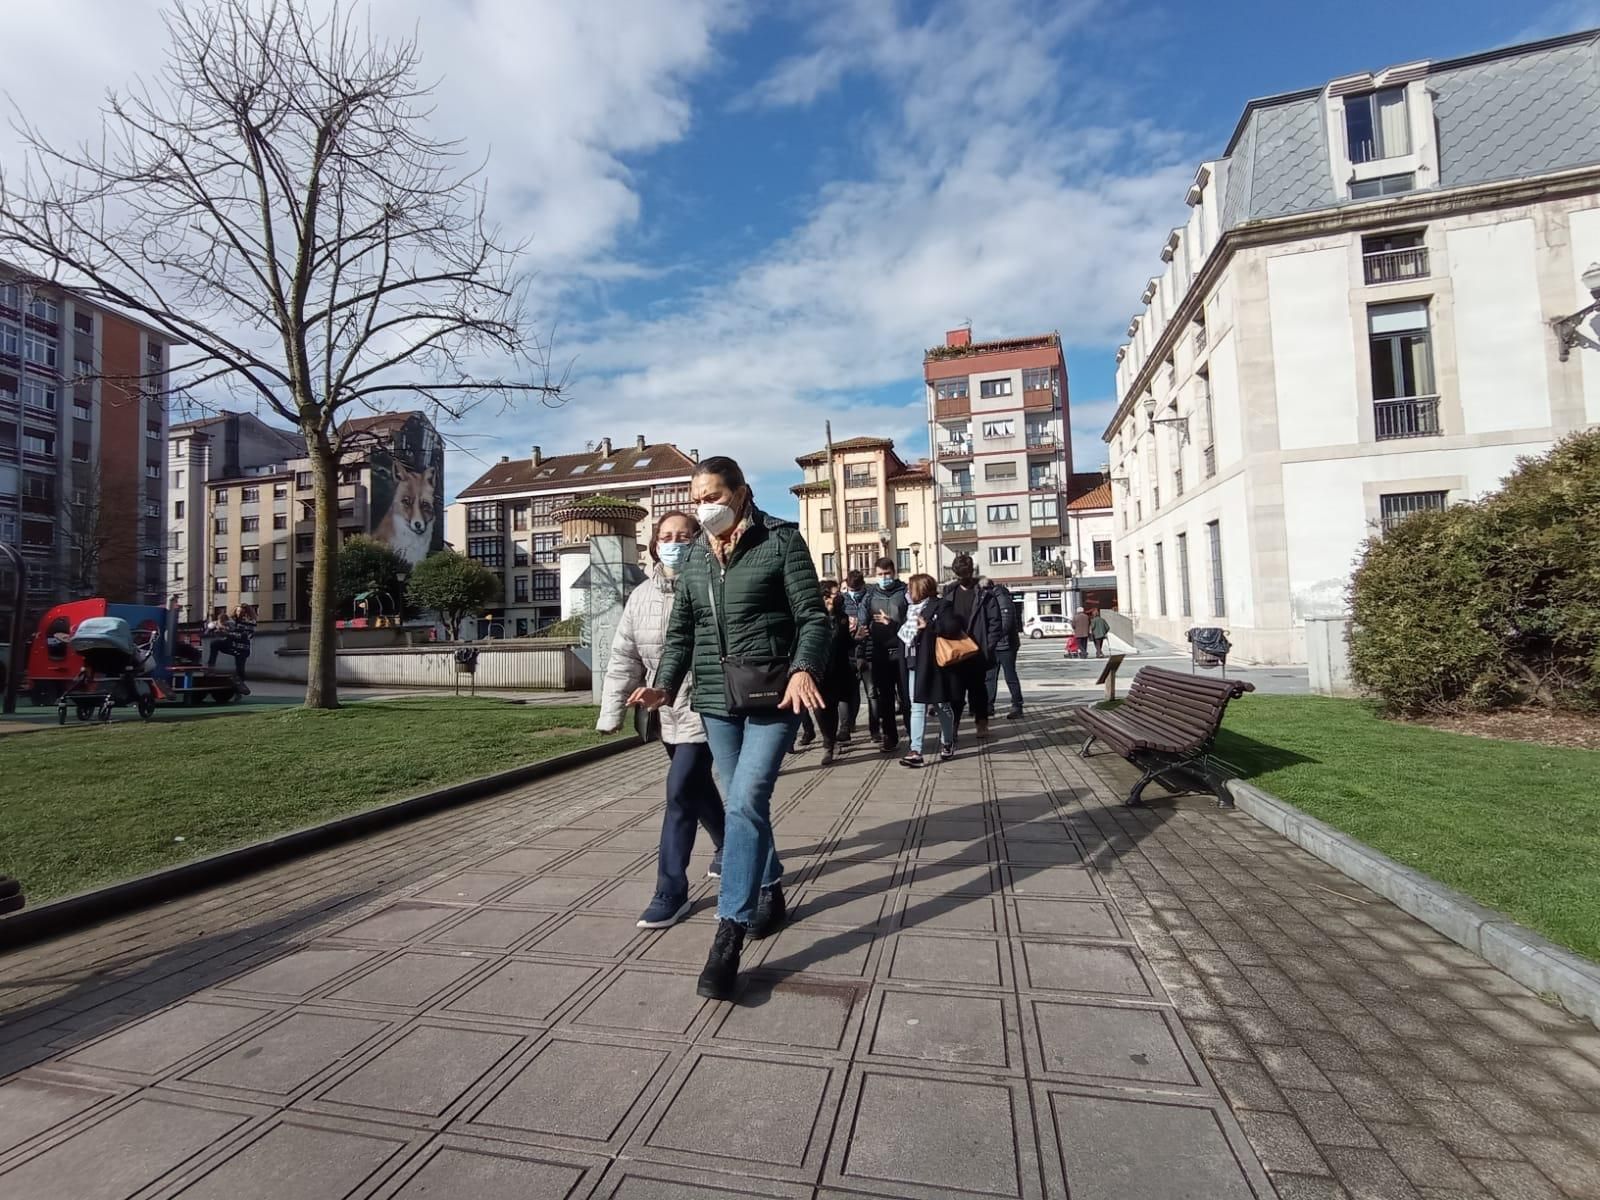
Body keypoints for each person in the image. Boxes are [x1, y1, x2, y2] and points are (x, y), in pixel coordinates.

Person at [629, 456, 829, 1002]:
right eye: (697, 499)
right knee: (745, 805)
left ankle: (729, 932)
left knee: (744, 801)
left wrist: (804, 667)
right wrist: (665, 685)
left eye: (713, 495)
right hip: (716, 701)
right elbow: (683, 630)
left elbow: (813, 617)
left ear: (741, 493)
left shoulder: (781, 541)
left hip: (773, 694)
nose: (705, 507)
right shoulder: (694, 557)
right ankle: (769, 886)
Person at [597, 511, 726, 929]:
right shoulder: (640, 597)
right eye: (666, 536)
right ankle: (728, 844)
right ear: (654, 543)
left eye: (684, 536)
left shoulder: (714, 583)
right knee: (697, 786)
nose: (674, 542)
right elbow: (624, 658)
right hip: (665, 710)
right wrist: (612, 711)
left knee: (679, 793)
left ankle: (671, 890)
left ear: (699, 540)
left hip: (707, 705)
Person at [941, 554, 1004, 743]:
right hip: (956, 651)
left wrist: (988, 645)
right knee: (955, 692)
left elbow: (995, 622)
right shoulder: (949, 593)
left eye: (966, 574)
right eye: (960, 576)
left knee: (978, 690)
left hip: (978, 651)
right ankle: (953, 727)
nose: (963, 579)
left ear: (972, 571)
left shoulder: (984, 594)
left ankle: (981, 722)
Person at [899, 573, 958, 766]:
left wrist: (930, 625)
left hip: (934, 665)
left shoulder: (941, 605)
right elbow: (904, 635)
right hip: (914, 662)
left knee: (941, 706)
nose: (908, 591)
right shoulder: (909, 609)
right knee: (917, 706)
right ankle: (916, 751)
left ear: (921, 589)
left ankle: (948, 741)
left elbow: (952, 626)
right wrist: (890, 625)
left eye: (911, 588)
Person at [866, 557, 909, 753]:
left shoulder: (905, 592)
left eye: (887, 574)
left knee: (907, 698)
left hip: (902, 652)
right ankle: (890, 737)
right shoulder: (870, 595)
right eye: (880, 574)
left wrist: (892, 623)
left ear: (894, 572)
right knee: (885, 699)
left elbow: (913, 623)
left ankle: (913, 734)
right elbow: (862, 619)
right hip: (880, 652)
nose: (884, 578)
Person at [981, 577, 1023, 719]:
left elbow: (1006, 623)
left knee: (1010, 675)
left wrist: (991, 638)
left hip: (1006, 645)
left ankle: (1017, 705)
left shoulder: (1001, 598)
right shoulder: (991, 598)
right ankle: (988, 705)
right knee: (990, 677)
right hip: (995, 644)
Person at [839, 570, 872, 742]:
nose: (854, 592)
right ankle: (845, 727)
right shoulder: (842, 601)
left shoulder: (870, 597)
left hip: (868, 652)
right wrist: (848, 629)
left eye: (857, 589)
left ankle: (873, 728)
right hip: (849, 653)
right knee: (847, 692)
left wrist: (868, 630)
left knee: (870, 692)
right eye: (851, 589)